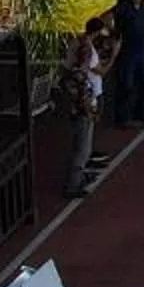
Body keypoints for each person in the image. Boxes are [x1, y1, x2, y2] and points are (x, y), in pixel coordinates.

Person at [55, 26, 104, 199]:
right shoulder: (78, 77)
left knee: (84, 147)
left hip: (82, 112)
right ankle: (73, 184)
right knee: (81, 149)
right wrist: (91, 112)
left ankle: (79, 178)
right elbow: (82, 100)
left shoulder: (76, 74)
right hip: (81, 115)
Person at [108, 0, 144, 130]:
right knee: (126, 85)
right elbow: (107, 17)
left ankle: (140, 109)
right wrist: (114, 33)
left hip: (141, 51)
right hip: (127, 52)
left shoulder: (142, 8)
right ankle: (123, 117)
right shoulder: (124, 8)